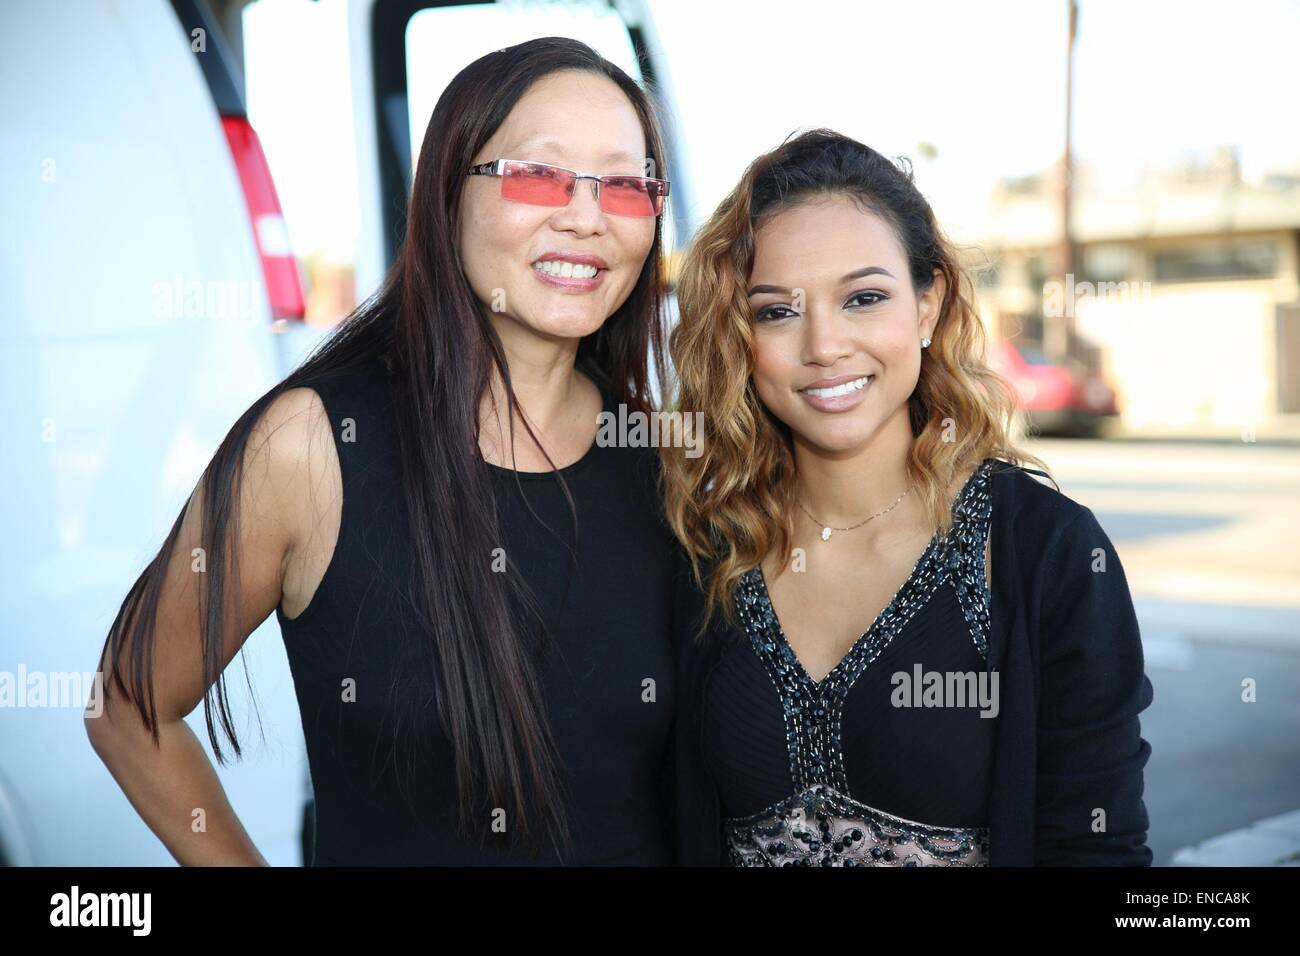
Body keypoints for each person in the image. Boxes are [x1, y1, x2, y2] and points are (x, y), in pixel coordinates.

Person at [86, 37, 680, 866]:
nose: (585, 216)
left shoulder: (667, 464)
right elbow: (128, 706)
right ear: (447, 190)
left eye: (623, 184)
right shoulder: (311, 446)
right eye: (537, 175)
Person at [661, 129, 1154, 866]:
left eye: (864, 297)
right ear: (740, 334)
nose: (824, 345)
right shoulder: (706, 544)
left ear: (927, 308)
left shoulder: (1043, 552)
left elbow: (1098, 850)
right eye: (777, 311)